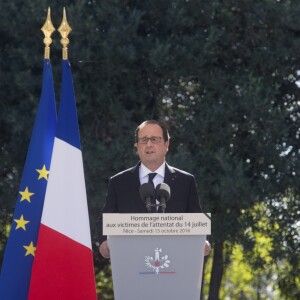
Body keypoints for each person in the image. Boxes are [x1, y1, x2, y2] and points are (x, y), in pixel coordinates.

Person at [97, 120, 211, 258]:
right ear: (137, 146)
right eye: (144, 140)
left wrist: (203, 242)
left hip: (174, 263)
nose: (149, 144)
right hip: (132, 262)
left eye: (155, 139)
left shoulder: (186, 181)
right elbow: (106, 219)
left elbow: (195, 220)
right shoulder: (118, 182)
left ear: (166, 144)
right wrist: (104, 242)